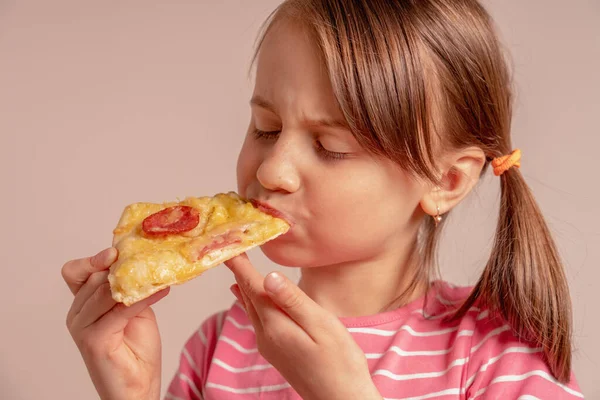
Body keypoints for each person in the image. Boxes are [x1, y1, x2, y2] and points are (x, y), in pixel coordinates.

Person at [62, 0, 584, 398]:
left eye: (330, 147)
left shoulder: (496, 358)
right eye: (266, 129)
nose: (272, 169)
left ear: (445, 181)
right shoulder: (219, 347)